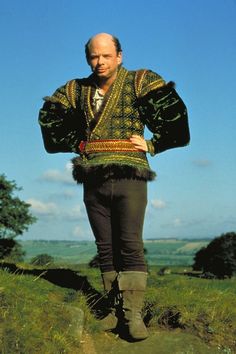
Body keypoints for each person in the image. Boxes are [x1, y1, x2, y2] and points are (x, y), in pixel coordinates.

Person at [38, 32, 190, 340]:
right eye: (94, 56)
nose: (100, 62)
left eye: (106, 56)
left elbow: (176, 119)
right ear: (87, 58)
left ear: (119, 56)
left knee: (130, 244)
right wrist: (76, 142)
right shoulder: (74, 89)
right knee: (105, 247)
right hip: (92, 175)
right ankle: (113, 311)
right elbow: (48, 117)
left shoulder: (141, 81)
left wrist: (154, 145)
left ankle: (133, 317)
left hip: (131, 175)